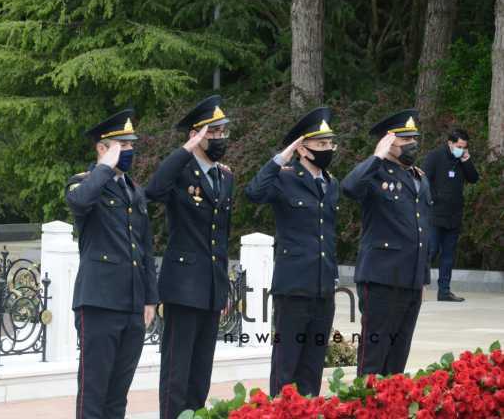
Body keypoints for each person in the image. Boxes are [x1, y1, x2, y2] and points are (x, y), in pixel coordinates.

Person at [65, 109, 158, 419]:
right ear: (102, 148)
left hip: (132, 304)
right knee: (93, 393)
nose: (128, 151)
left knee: (118, 395)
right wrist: (104, 168)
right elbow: (79, 203)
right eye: (121, 145)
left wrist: (150, 298)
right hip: (100, 303)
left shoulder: (134, 190)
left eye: (131, 145)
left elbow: (144, 246)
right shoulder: (84, 184)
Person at [145, 95, 234, 419]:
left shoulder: (225, 177)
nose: (220, 139)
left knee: (200, 371)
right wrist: (185, 151)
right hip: (182, 286)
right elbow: (152, 191)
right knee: (176, 370)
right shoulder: (180, 173)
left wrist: (223, 288)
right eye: (213, 133)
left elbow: (222, 237)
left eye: (223, 132)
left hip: (211, 287)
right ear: (195, 135)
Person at [245, 107, 339, 397]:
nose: (328, 149)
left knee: (313, 366)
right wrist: (280, 158)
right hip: (294, 288)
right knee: (287, 366)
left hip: (323, 289)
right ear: (303, 149)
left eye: (330, 144)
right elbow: (254, 193)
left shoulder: (331, 184)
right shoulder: (285, 178)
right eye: (321, 144)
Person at [341, 109, 432, 377]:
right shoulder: (375, 172)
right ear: (387, 141)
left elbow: (422, 228)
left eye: (414, 138)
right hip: (381, 278)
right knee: (374, 356)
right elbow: (349, 187)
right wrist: (376, 156)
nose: (411, 144)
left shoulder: (419, 177)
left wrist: (423, 277)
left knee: (397, 357)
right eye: (404, 139)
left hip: (410, 279)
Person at [422, 129, 479, 302]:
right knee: (430, 251)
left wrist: (466, 160)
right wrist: (433, 199)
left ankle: (444, 291)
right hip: (435, 213)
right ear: (450, 143)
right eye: (459, 146)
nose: (461, 149)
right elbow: (423, 179)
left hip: (454, 215)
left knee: (448, 255)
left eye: (464, 147)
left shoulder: (462, 159)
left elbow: (474, 178)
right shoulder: (435, 156)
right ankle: (418, 287)